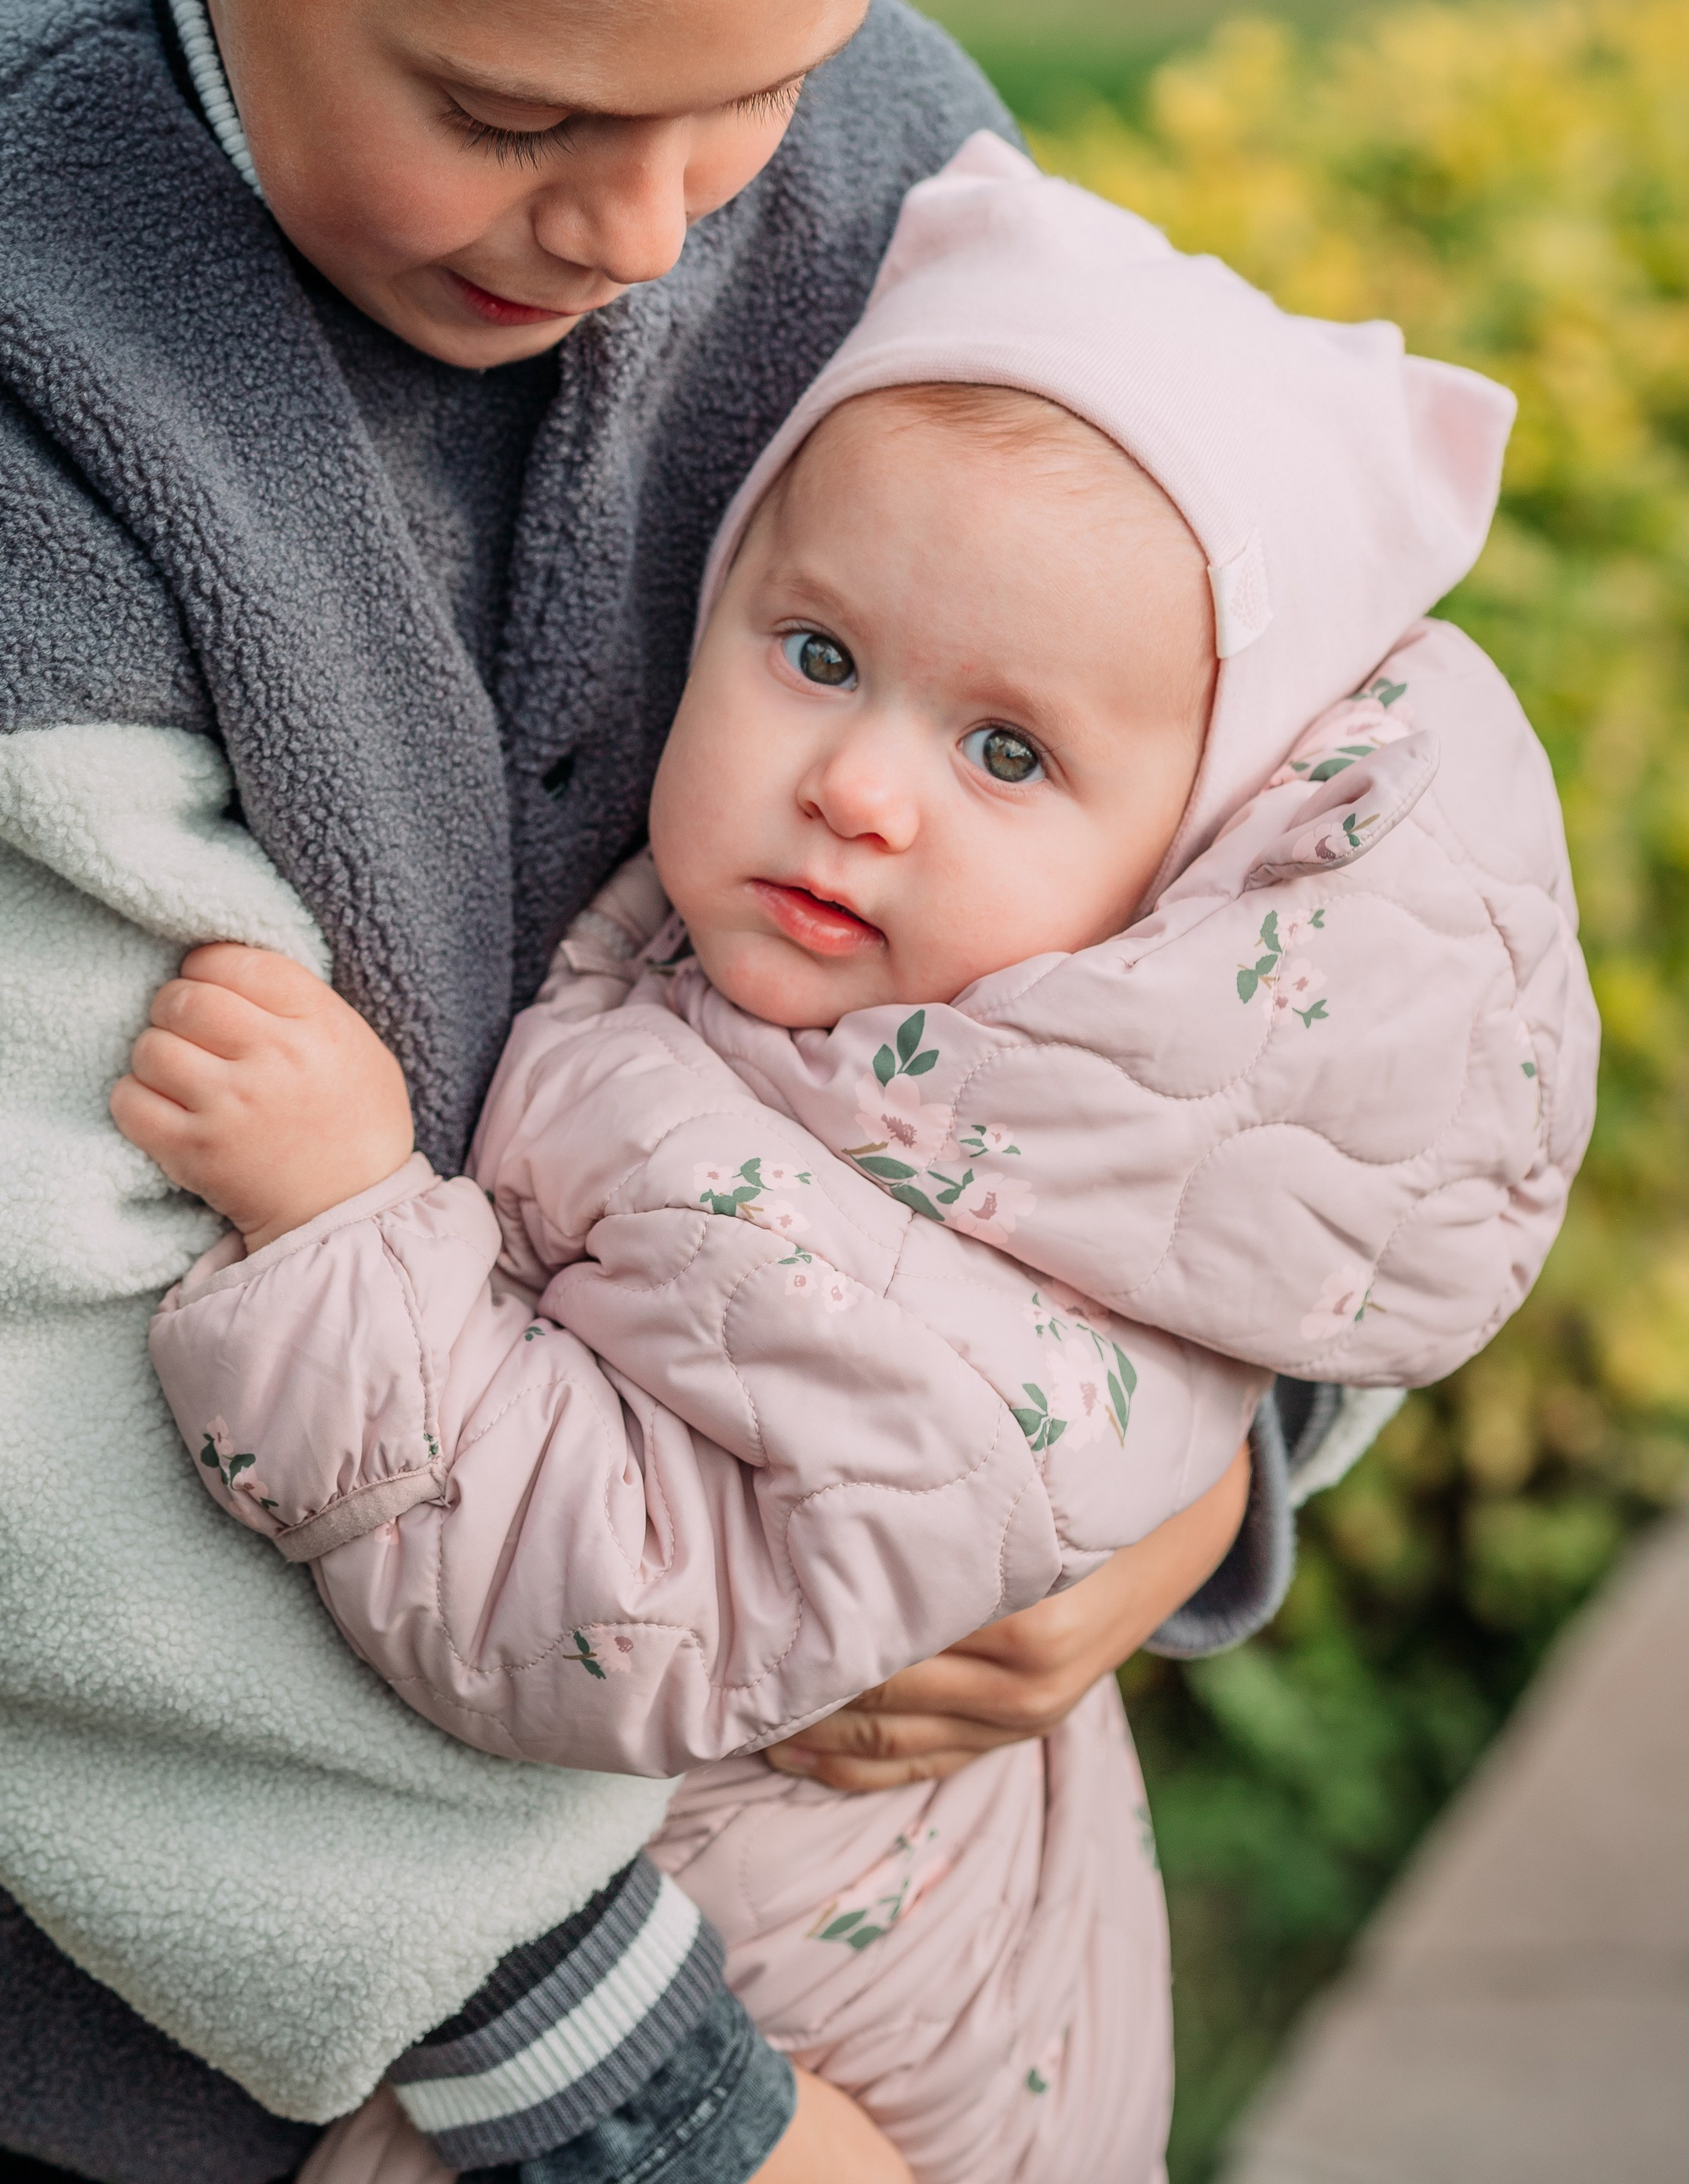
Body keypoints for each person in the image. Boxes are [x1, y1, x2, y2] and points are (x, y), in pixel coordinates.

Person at [0, 0, 1492, 2184]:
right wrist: (664, 2111)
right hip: (191, 2012)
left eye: (743, 100)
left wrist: (1199, 1465)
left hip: (839, 1830)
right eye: (512, 113)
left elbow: (1281, 834)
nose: (653, 235)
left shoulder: (886, 145)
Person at [137, 151, 1596, 2183]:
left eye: (1010, 754)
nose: (860, 786)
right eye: (815, 654)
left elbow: (597, 1599)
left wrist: (338, 1228)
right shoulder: (878, 1073)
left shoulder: (948, 1239)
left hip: (806, 2101)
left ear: (1171, 876)